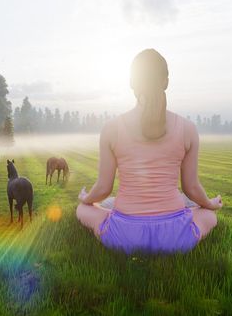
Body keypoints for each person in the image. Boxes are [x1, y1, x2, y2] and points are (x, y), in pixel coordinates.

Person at [76, 48, 223, 254]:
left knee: (83, 209)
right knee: (208, 215)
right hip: (174, 237)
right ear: (166, 82)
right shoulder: (187, 129)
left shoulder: (111, 128)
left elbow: (103, 188)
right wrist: (210, 204)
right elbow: (191, 188)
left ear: (131, 83)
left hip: (124, 236)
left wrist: (86, 199)